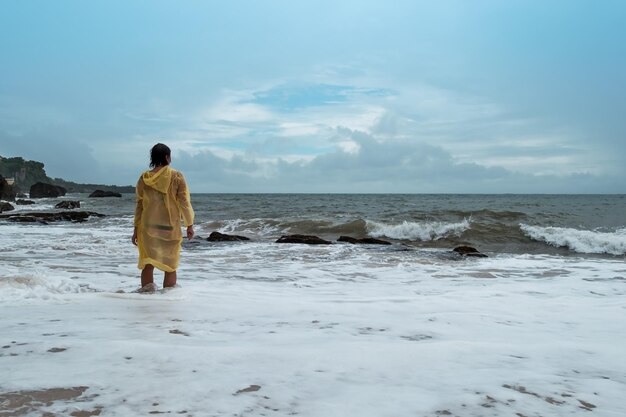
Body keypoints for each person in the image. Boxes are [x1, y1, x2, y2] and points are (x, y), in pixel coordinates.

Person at [132, 143, 194, 291]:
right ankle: (168, 301)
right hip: (169, 227)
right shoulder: (176, 176)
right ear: (167, 157)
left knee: (148, 264)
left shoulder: (144, 178)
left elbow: (140, 205)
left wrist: (135, 229)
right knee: (170, 266)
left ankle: (147, 298)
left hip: (147, 227)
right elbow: (184, 202)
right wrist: (189, 225)